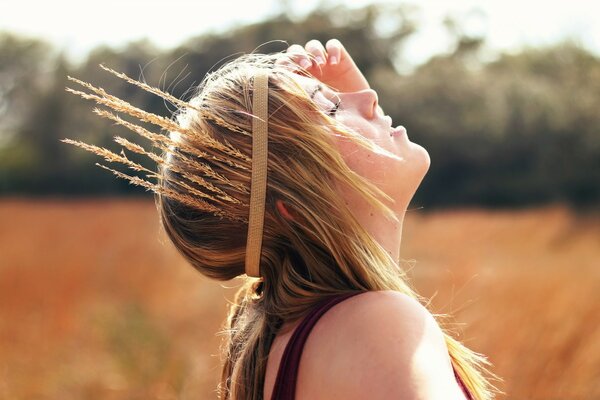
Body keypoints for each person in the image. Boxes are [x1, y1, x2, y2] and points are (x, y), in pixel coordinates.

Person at [64, 39, 497, 399]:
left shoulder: (289, 343)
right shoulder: (377, 326)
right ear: (292, 204)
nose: (367, 98)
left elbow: (360, 233)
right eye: (330, 108)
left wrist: (345, 119)